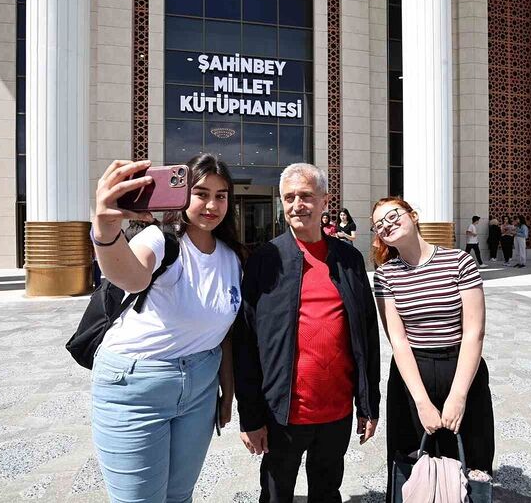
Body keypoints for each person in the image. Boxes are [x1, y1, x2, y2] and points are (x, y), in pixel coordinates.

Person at [90, 154, 246, 503]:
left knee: (179, 496)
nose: (211, 204)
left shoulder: (232, 257)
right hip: (136, 387)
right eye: (201, 193)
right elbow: (131, 275)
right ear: (181, 196)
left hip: (200, 390)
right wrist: (104, 229)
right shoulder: (160, 240)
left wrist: (227, 393)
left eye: (221, 195)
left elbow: (225, 335)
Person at [234, 163, 381, 503]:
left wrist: (368, 403)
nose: (297, 204)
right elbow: (246, 343)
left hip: (337, 412)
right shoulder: (264, 259)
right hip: (281, 413)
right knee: (275, 494)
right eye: (289, 197)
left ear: (325, 201)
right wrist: (250, 416)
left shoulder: (348, 259)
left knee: (327, 492)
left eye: (306, 196)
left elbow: (366, 337)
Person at [369, 198, 494, 501]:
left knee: (470, 462)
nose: (387, 224)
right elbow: (398, 342)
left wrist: (458, 396)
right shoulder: (386, 275)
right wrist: (422, 402)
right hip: (413, 376)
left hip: (461, 368)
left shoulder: (459, 261)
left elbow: (474, 332)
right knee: (412, 461)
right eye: (379, 224)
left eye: (393, 215)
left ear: (413, 215)